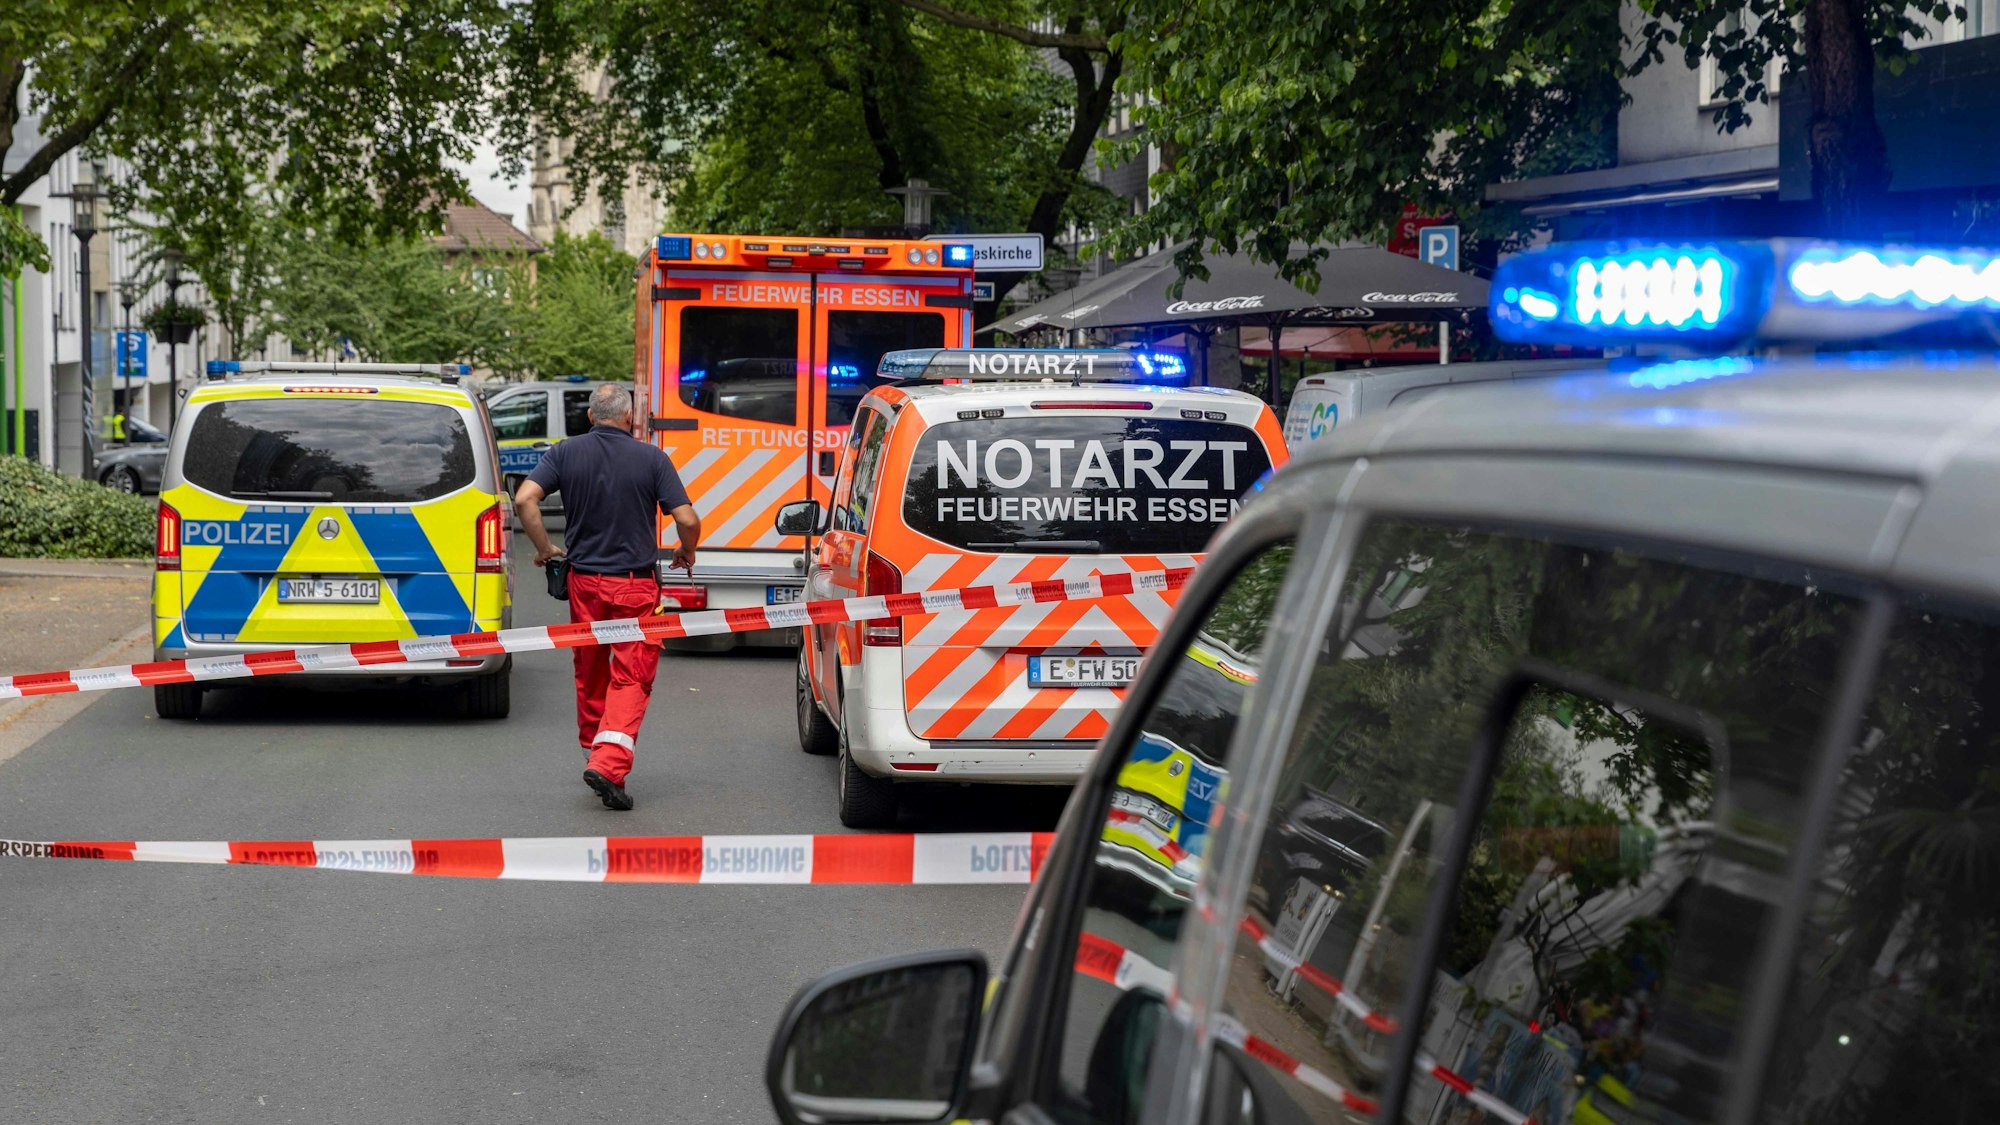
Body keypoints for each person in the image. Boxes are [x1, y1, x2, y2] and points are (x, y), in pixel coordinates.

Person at [514, 384, 700, 811]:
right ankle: (608, 764)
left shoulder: (564, 453)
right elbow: (687, 519)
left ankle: (593, 752)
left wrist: (545, 549)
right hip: (635, 586)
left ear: (590, 416)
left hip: (584, 584)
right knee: (632, 676)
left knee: (590, 669)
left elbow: (525, 499)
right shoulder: (652, 458)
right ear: (630, 418)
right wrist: (686, 549)